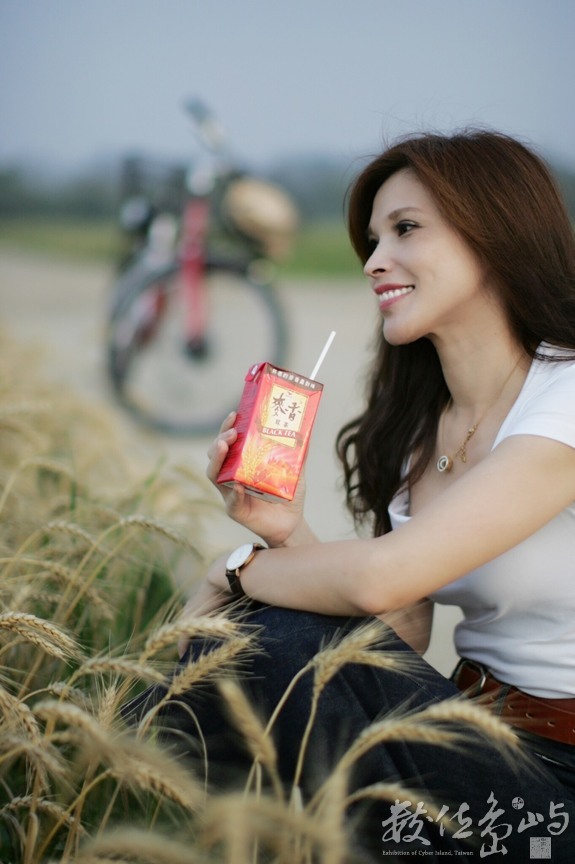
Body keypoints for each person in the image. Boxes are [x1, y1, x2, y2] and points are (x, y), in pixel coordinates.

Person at [125, 130, 575, 860]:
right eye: (371, 240)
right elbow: (392, 633)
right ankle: (138, 796)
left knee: (269, 626)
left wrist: (233, 570)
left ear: (495, 234)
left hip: (557, 788)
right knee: (271, 638)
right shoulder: (415, 433)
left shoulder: (565, 394)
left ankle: (128, 767)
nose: (373, 262)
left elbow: (378, 579)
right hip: (472, 739)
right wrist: (282, 534)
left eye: (404, 230)